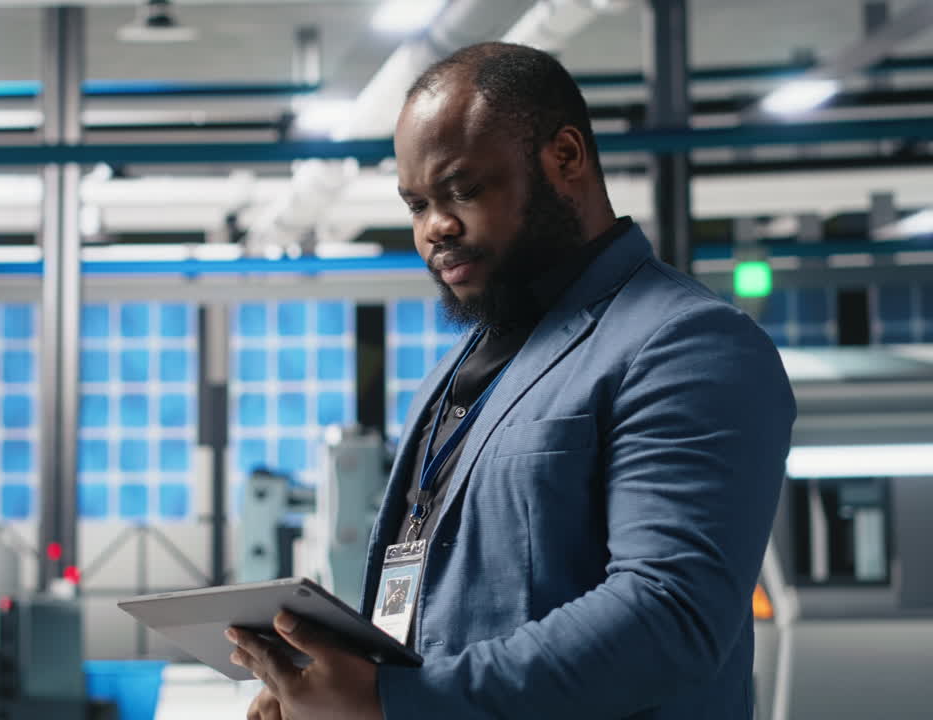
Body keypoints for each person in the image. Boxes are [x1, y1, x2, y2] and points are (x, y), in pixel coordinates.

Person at [227, 42, 795, 720]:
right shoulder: (448, 377)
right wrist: (326, 685)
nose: (435, 227)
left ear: (565, 157)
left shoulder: (686, 344)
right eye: (417, 204)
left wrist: (391, 701)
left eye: (462, 190)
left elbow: (668, 615)